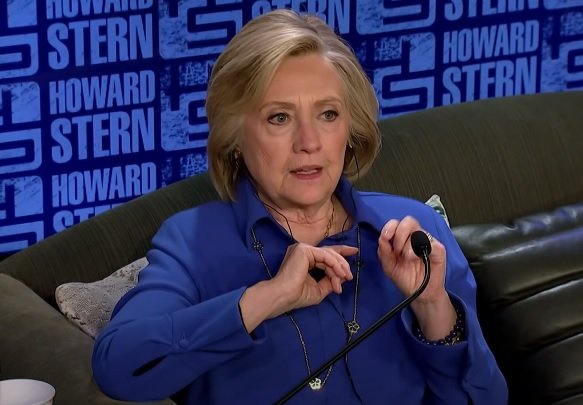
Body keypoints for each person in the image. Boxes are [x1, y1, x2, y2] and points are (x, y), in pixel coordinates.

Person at [92, 9, 508, 405]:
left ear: (350, 129)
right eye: (280, 118)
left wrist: (431, 305)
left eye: (328, 114)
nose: (309, 142)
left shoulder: (416, 231)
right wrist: (268, 298)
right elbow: (119, 366)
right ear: (234, 138)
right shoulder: (193, 241)